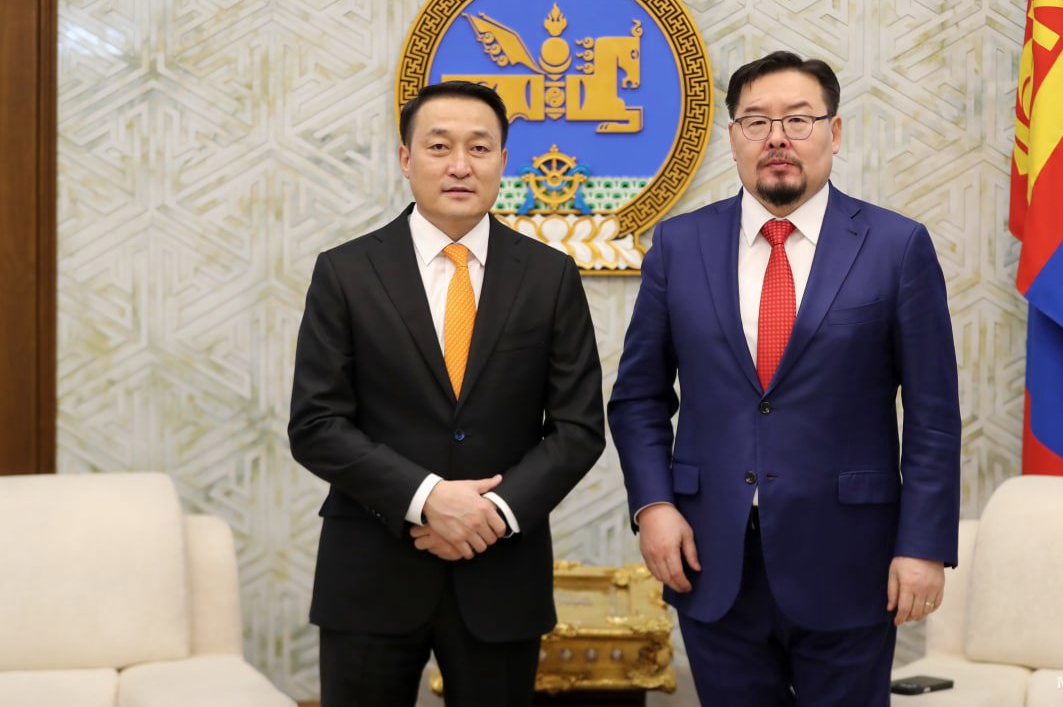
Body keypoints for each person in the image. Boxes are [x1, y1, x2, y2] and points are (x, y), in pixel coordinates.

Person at [607, 51, 961, 706]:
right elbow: (637, 400)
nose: (777, 137)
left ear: (835, 131)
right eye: (756, 121)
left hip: (850, 558)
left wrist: (923, 546)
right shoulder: (679, 245)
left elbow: (933, 416)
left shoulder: (895, 246)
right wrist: (653, 507)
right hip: (711, 557)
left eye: (798, 119)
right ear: (733, 136)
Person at [289, 80, 606, 707]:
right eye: (439, 146)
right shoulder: (346, 272)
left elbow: (578, 429)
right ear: (405, 159)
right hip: (372, 571)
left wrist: (493, 514)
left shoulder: (549, 276)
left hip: (500, 573)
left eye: (479, 148)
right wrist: (427, 498)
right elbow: (316, 424)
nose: (460, 165)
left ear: (502, 161)